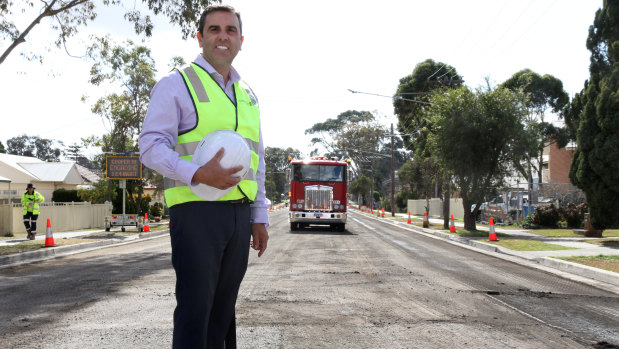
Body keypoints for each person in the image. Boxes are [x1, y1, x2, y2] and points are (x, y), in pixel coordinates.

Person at [138, 5, 269, 348]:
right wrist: (197, 173)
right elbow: (150, 147)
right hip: (196, 213)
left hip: (239, 216)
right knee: (197, 313)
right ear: (200, 37)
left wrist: (259, 216)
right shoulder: (176, 84)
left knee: (224, 315)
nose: (222, 36)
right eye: (214, 29)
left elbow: (257, 162)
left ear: (241, 40)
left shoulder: (249, 96)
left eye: (230, 30)